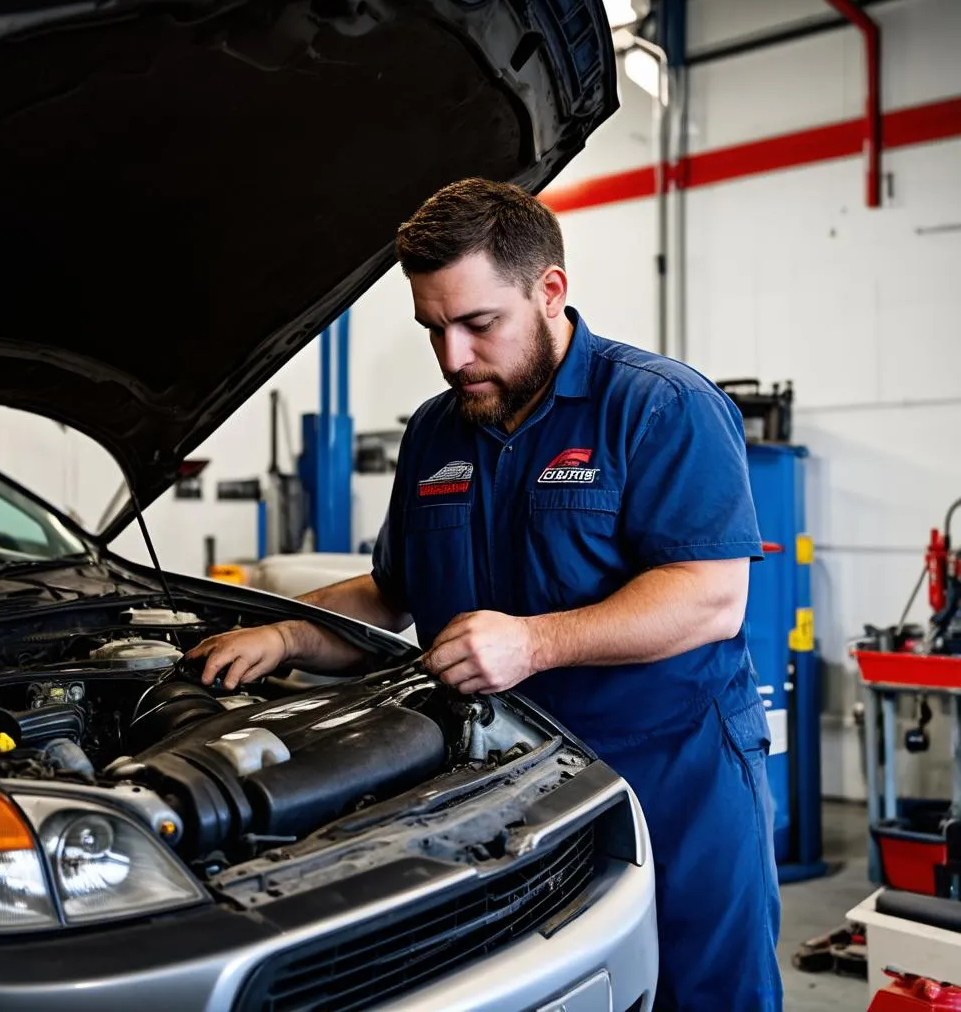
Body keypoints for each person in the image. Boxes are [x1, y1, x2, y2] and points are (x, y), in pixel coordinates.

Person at [187, 178, 782, 1011]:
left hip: (671, 776)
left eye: (478, 324)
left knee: (703, 993)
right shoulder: (436, 431)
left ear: (550, 292)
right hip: (501, 789)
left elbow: (710, 598)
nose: (453, 357)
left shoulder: (660, 408)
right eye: (433, 329)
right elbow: (392, 594)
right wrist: (291, 635)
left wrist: (533, 643)